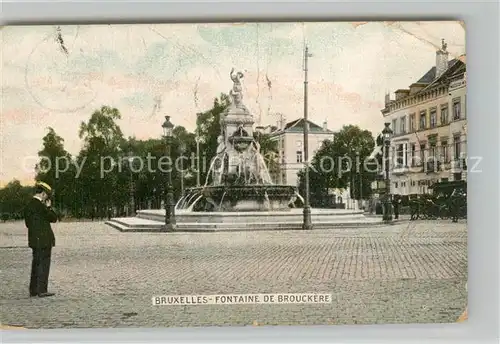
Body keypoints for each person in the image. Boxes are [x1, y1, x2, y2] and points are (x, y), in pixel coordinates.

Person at [24, 182, 58, 297]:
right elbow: (53, 218)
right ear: (43, 194)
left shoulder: (28, 205)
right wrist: (49, 207)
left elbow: (28, 224)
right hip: (44, 240)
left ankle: (33, 290)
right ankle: (42, 290)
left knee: (36, 264)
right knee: (44, 264)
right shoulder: (42, 206)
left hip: (34, 239)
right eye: (46, 195)